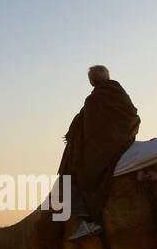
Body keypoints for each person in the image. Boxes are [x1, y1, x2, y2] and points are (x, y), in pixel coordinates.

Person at [59, 65, 140, 240]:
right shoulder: (121, 95)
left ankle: (86, 222)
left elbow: (89, 133)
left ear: (92, 81)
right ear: (108, 77)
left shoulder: (93, 100)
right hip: (122, 143)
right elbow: (132, 117)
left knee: (68, 178)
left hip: (104, 151)